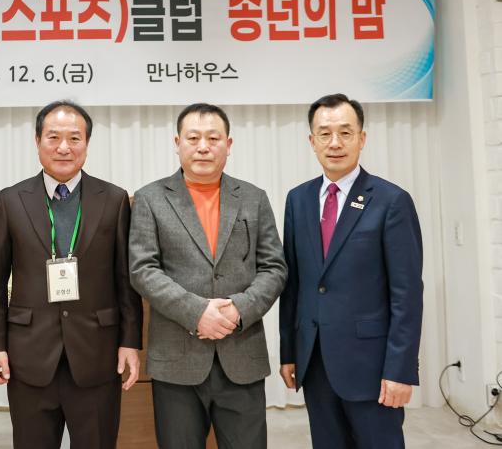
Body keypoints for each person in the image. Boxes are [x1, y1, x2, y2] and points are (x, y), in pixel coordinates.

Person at [0, 100, 143, 448]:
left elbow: (125, 280)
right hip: (29, 357)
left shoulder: (114, 199)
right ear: (37, 141)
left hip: (97, 355)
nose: (64, 147)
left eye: (74, 138)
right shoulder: (11, 200)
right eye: (53, 137)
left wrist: (130, 341)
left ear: (87, 143)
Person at [129, 102, 286, 449]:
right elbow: (143, 269)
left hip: (241, 354)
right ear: (177, 143)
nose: (203, 147)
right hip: (176, 360)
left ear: (228, 144)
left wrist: (239, 309)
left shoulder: (253, 198)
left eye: (213, 138)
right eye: (193, 138)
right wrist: (196, 311)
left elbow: (274, 267)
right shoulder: (150, 199)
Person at [279, 93, 423, 449]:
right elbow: (293, 284)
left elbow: (407, 294)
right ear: (311, 141)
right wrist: (289, 352)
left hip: (371, 366)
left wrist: (400, 369)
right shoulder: (298, 200)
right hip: (315, 361)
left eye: (345, 132)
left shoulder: (391, 201)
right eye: (325, 133)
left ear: (362, 138)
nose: (335, 143)